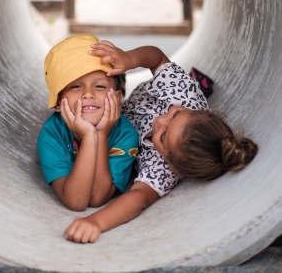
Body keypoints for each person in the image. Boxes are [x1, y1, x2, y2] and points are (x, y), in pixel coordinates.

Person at [64, 40, 258, 243]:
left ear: (174, 165)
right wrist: (128, 59)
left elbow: (138, 199)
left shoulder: (164, 170)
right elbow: (156, 58)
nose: (161, 121)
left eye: (163, 137)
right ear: (192, 109)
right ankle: (200, 84)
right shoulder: (183, 95)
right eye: (175, 114)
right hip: (136, 99)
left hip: (120, 126)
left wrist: (96, 222)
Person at [37, 35, 139, 211]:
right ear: (58, 103)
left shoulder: (126, 134)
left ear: (117, 98)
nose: (88, 94)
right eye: (75, 86)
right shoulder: (52, 135)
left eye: (100, 86)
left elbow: (97, 198)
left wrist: (100, 134)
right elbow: (76, 201)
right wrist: (89, 137)